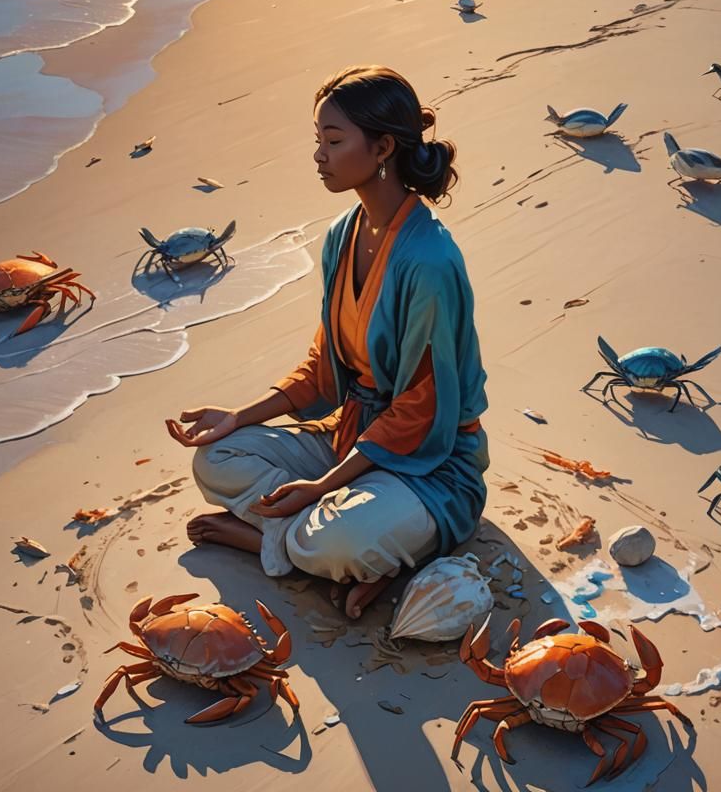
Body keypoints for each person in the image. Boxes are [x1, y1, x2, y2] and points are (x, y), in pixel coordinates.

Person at [165, 64, 489, 620]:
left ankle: (275, 541)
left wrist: (319, 488)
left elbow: (420, 411)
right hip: (351, 442)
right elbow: (324, 370)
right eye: (319, 140)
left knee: (341, 538)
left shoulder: (430, 260)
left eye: (334, 141)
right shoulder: (343, 234)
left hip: (432, 464)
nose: (319, 155)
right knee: (216, 459)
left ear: (383, 147)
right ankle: (330, 552)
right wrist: (239, 417)